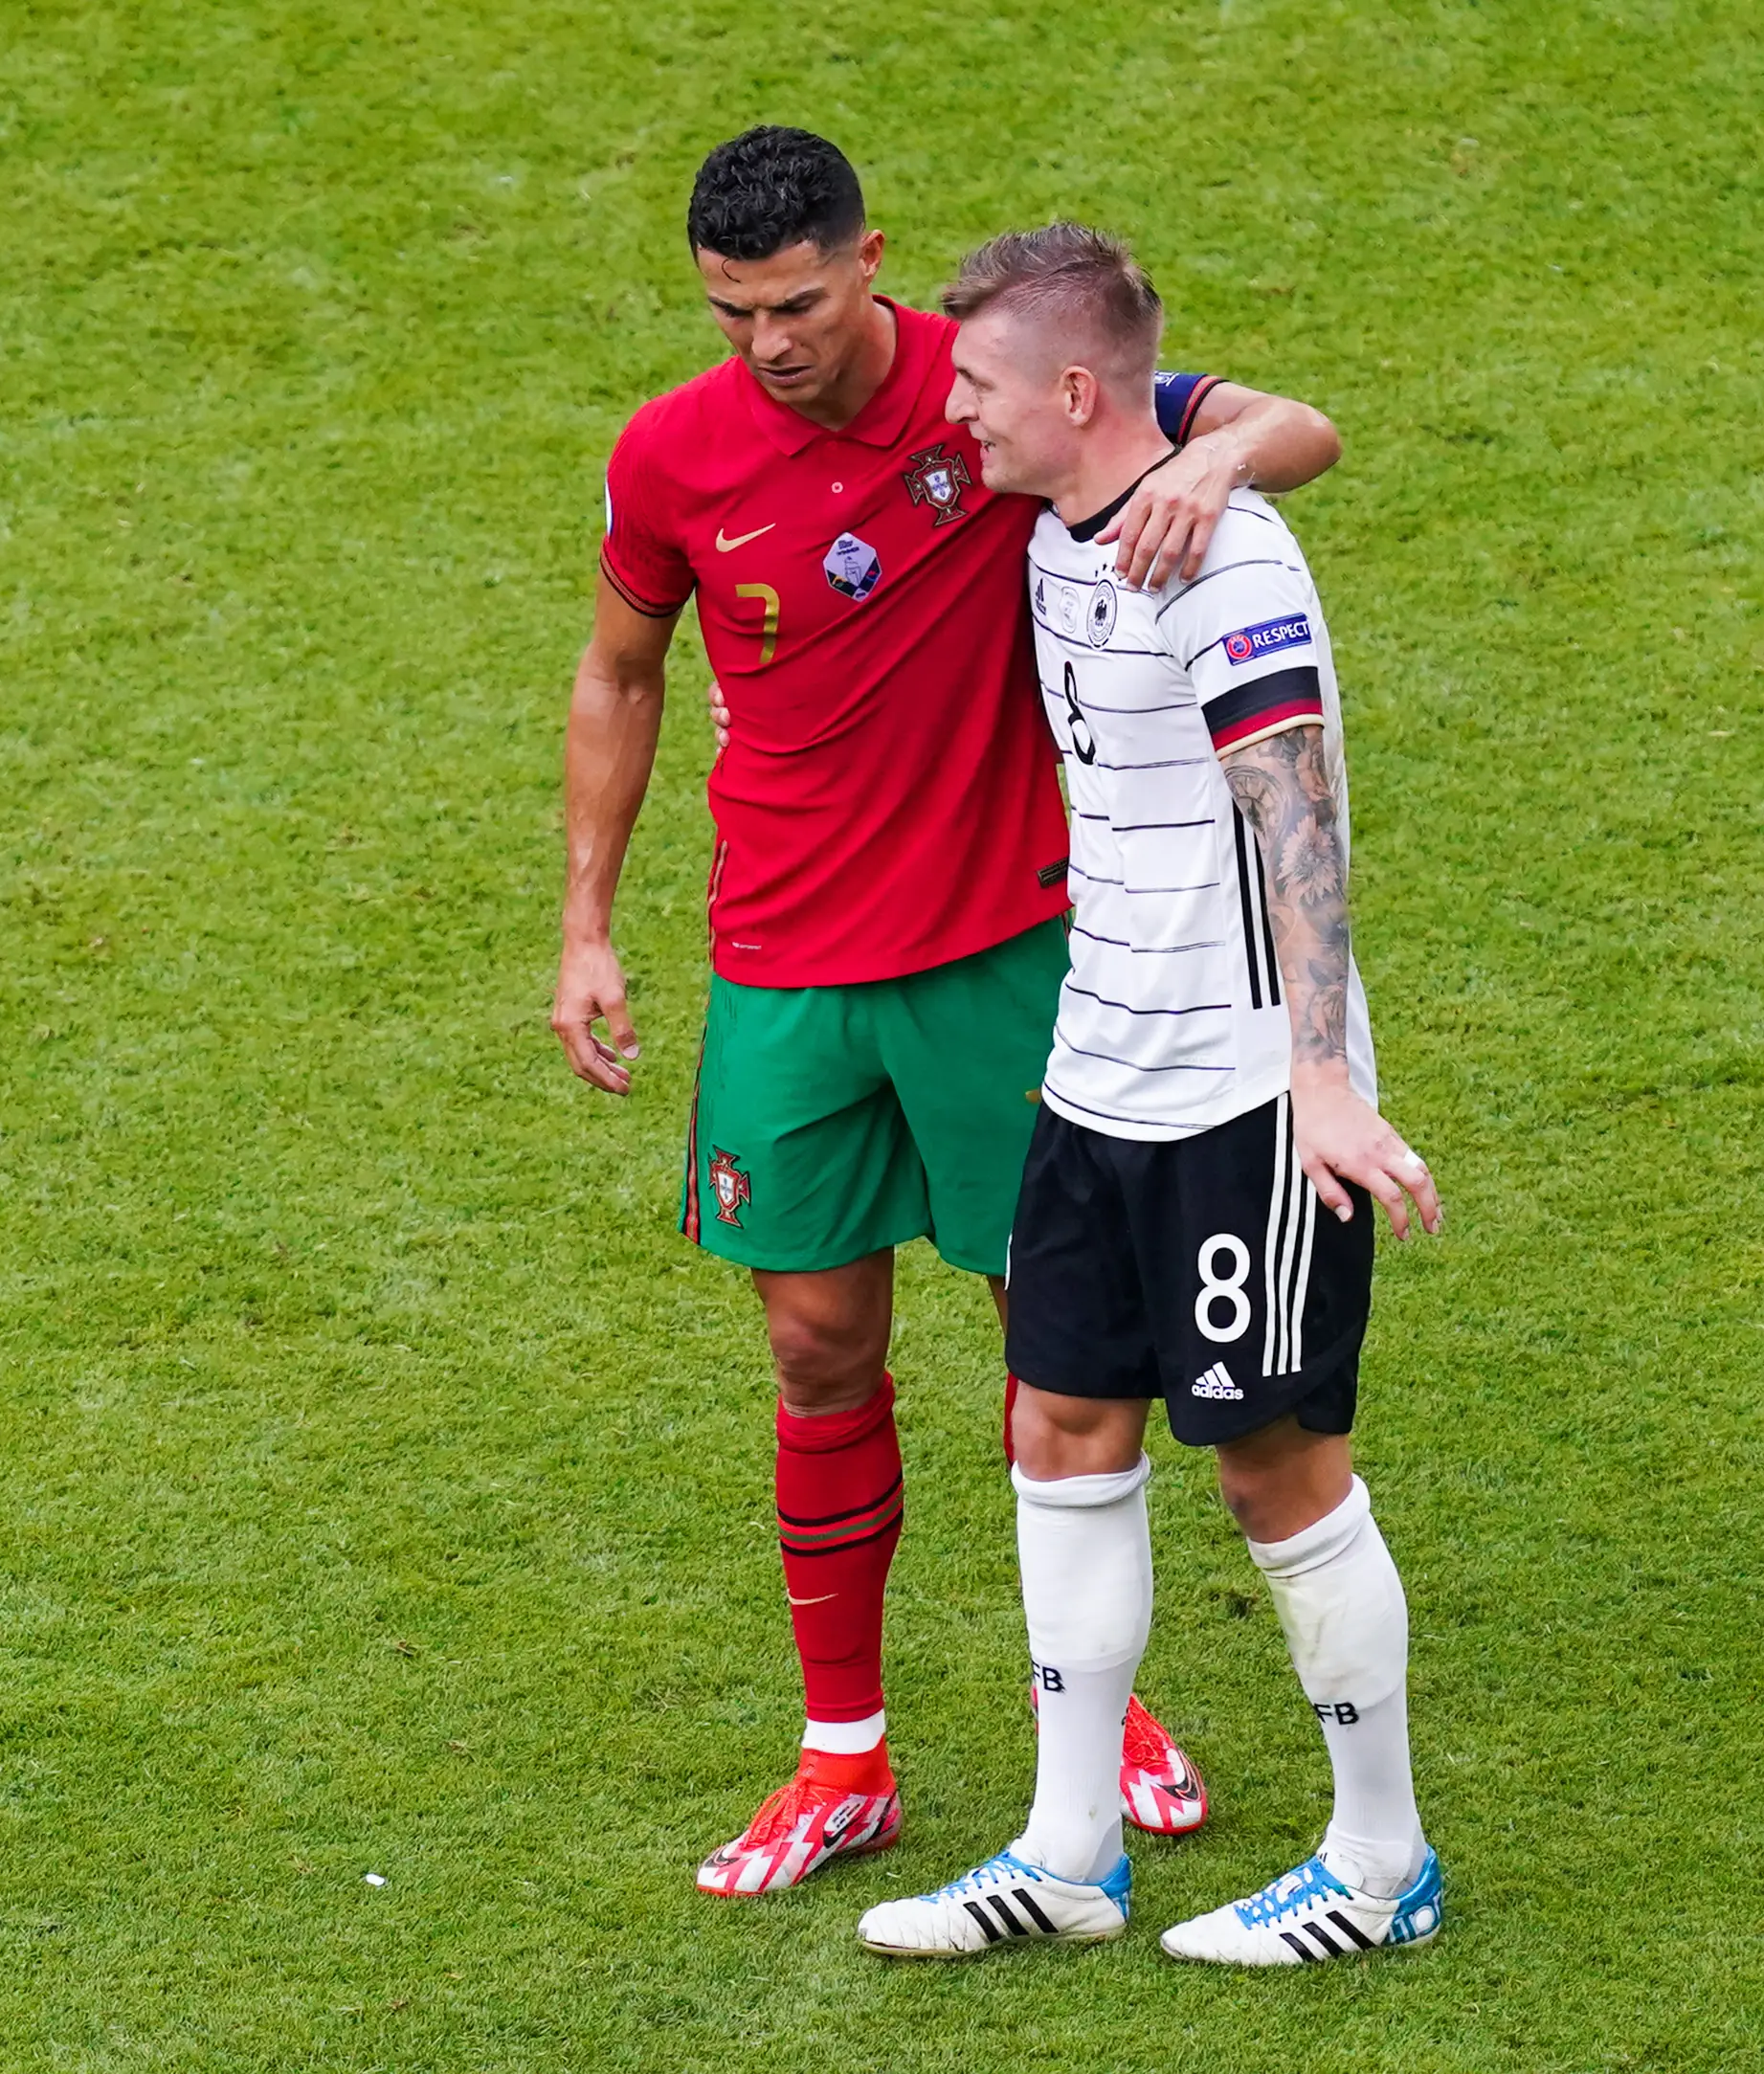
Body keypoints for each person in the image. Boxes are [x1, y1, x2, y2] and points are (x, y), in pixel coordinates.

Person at [552, 127, 1347, 1898]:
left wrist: (1209, 466)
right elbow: (620, 667)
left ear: (867, 261)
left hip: (1004, 952)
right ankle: (844, 1752)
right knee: (815, 1346)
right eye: (731, 311)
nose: (767, 340)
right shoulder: (669, 457)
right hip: (782, 969)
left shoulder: (991, 392)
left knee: (1053, 1338)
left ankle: (1101, 1712)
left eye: (798, 301)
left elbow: (1294, 426)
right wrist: (585, 923)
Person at [853, 222, 1444, 1965]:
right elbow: (1270, 409)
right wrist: (1225, 431)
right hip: (1094, 1074)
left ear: (1076, 392)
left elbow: (1297, 807)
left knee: (1274, 1467)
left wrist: (1318, 1083)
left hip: (1237, 1105)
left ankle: (1378, 1862)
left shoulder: (1221, 562)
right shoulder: (1081, 497)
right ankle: (1067, 1850)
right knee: (1059, 1430)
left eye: (972, 385)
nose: (949, 412)